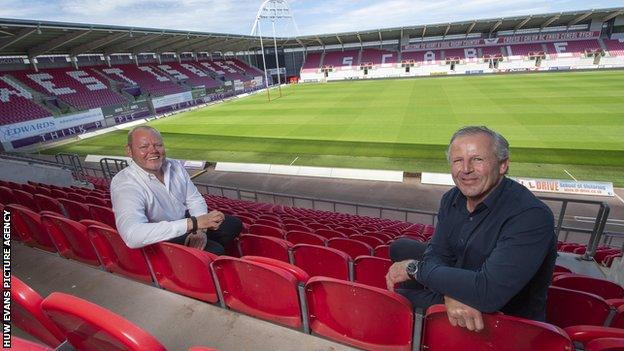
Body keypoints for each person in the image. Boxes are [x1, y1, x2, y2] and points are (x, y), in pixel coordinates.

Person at [385, 126, 556, 331]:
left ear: (503, 165)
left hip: (506, 320)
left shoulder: (531, 216)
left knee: (390, 302)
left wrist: (415, 269)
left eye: (477, 159)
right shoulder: (452, 198)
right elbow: (437, 253)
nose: (465, 169)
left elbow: (488, 293)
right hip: (468, 284)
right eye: (458, 160)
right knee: (400, 247)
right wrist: (452, 292)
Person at [110, 125, 241, 255]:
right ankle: (193, 261)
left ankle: (197, 250)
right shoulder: (125, 183)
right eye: (144, 147)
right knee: (215, 250)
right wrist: (193, 224)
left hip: (186, 223)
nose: (153, 150)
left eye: (158, 145)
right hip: (160, 237)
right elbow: (132, 235)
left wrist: (199, 231)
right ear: (129, 150)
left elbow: (194, 199)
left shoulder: (174, 165)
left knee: (233, 224)